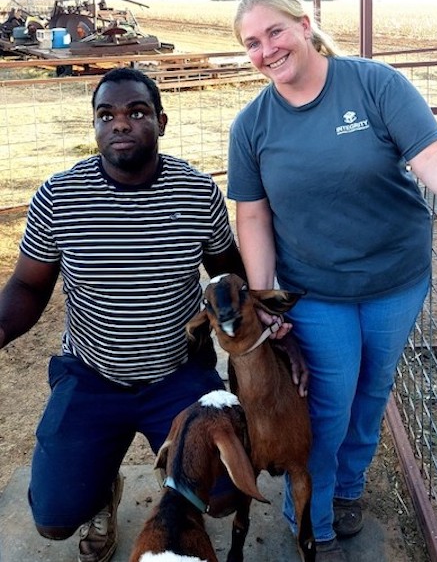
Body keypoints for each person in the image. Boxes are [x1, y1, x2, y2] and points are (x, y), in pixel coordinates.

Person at [227, 0, 437, 562]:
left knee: (373, 391)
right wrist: (265, 297)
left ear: (303, 25)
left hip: (395, 281)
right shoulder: (252, 126)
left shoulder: (375, 85)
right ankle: (312, 515)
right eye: (252, 43)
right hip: (317, 291)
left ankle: (349, 488)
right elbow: (251, 214)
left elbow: (432, 158)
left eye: (275, 31)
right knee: (327, 403)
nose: (267, 49)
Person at [0, 67, 256, 562]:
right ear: (94, 126)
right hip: (92, 375)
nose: (120, 123)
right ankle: (102, 491)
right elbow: (27, 287)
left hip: (178, 375)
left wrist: (259, 338)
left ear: (160, 122)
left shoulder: (197, 192)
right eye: (106, 115)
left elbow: (229, 274)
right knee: (53, 518)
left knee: (224, 496)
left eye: (136, 112)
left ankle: (178, 502)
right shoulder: (59, 196)